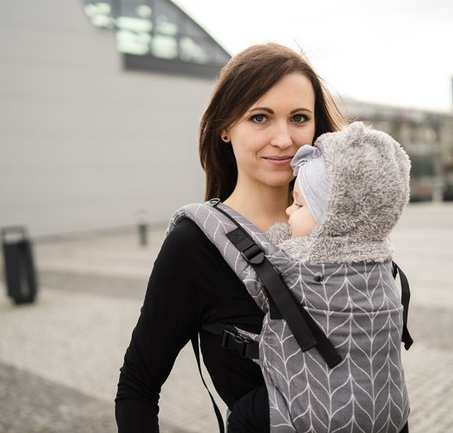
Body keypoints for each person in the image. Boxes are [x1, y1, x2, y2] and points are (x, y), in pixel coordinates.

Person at [115, 42, 346, 432]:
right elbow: (137, 387)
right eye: (260, 118)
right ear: (225, 127)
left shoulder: (343, 224)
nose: (283, 138)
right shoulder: (197, 245)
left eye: (299, 117)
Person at [227, 121, 412, 433]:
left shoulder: (298, 264)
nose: (288, 211)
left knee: (245, 414)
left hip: (317, 412)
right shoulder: (382, 259)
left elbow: (253, 269)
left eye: (298, 204)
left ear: (331, 220)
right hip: (390, 409)